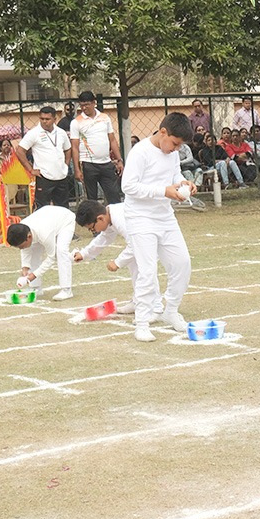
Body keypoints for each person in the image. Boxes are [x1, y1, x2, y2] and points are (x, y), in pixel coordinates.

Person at [121, 112, 196, 342]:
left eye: (180, 146)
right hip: (140, 217)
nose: (176, 149)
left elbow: (174, 175)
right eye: (174, 143)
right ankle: (142, 322)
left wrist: (182, 183)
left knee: (182, 263)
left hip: (165, 216)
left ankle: (170, 310)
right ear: (163, 132)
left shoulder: (171, 154)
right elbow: (128, 186)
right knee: (147, 270)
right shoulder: (140, 152)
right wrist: (163, 191)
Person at [74, 199, 144, 316]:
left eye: (92, 228)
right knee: (134, 262)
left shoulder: (121, 219)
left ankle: (151, 307)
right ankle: (139, 301)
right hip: (145, 238)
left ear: (100, 218)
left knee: (144, 267)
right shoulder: (109, 217)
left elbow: (135, 244)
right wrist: (84, 253)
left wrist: (118, 262)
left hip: (158, 234)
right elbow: (105, 237)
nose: (93, 231)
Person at [5, 206, 77, 301]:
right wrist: (25, 267)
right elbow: (25, 250)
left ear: (29, 237)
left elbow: (51, 258)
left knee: (61, 251)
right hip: (47, 219)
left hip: (65, 220)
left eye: (21, 246)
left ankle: (66, 290)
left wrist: (34, 275)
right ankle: (36, 288)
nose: (21, 249)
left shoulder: (45, 234)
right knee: (33, 250)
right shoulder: (22, 229)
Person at [15, 106, 73, 209]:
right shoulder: (34, 133)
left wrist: (66, 164)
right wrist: (30, 169)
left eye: (47, 119)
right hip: (44, 176)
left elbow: (68, 149)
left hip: (61, 176)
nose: (44, 121)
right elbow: (20, 151)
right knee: (42, 208)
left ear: (54, 119)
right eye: (42, 119)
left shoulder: (61, 132)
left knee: (63, 208)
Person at [70, 92, 123, 203]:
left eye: (87, 105)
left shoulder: (105, 118)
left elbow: (112, 140)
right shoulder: (76, 122)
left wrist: (119, 160)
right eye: (82, 105)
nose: (84, 108)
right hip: (88, 164)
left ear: (94, 103)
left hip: (106, 163)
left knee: (114, 196)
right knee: (92, 199)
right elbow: (74, 147)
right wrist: (77, 169)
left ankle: (114, 214)